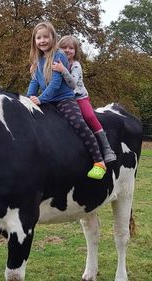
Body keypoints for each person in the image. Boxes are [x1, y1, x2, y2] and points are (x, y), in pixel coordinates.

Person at [26, 22, 107, 180]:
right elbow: (34, 82)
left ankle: (99, 161)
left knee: (79, 123)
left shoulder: (58, 55)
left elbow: (56, 84)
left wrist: (40, 99)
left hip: (64, 99)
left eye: (46, 37)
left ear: (53, 38)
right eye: (39, 37)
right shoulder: (37, 60)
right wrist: (29, 98)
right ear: (34, 40)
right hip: (48, 101)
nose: (42, 40)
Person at [52, 35, 116, 163]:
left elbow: (73, 83)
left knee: (89, 116)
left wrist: (63, 70)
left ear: (75, 51)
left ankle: (107, 147)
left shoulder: (75, 65)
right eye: (64, 47)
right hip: (61, 98)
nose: (67, 50)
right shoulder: (56, 63)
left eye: (71, 48)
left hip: (78, 97)